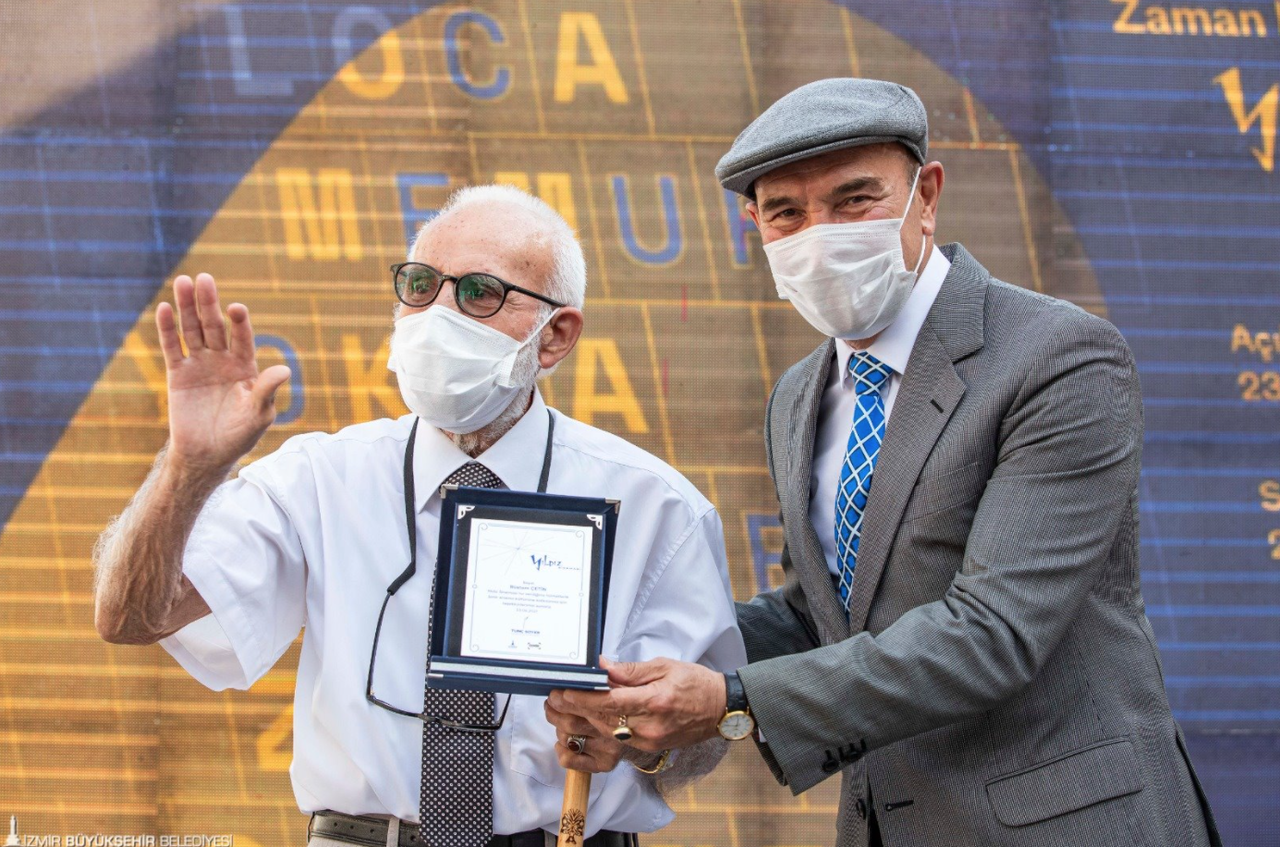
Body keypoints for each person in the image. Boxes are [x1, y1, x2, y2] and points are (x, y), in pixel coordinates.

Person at [545, 79, 1221, 847]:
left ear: (924, 197)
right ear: (755, 226)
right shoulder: (798, 396)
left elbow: (992, 632)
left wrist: (731, 698)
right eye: (787, 213)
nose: (820, 234)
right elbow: (823, 613)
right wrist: (636, 657)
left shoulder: (1059, 359)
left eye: (854, 200)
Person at [92, 185, 746, 846]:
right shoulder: (319, 478)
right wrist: (189, 467)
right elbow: (132, 616)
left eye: (479, 293)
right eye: (420, 285)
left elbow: (702, 739)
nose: (437, 315)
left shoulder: (656, 506)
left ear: (555, 337)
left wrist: (634, 739)